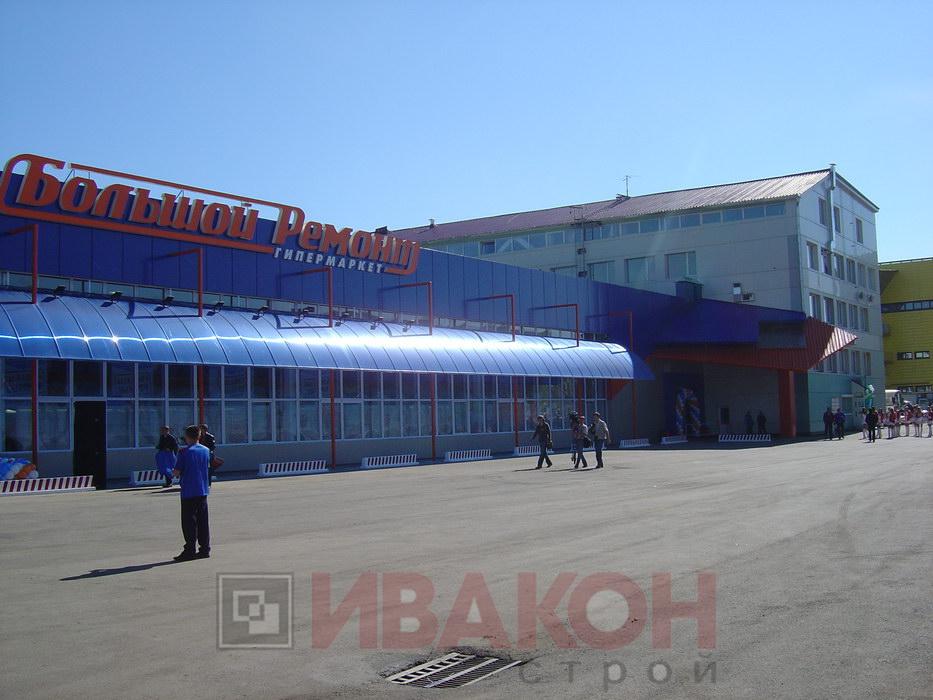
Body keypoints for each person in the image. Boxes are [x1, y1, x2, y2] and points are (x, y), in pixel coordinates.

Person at [173, 425, 211, 562]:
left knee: (189, 522)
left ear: (187, 437)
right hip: (202, 489)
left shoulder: (184, 452)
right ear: (199, 435)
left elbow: (176, 472)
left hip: (189, 491)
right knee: (203, 521)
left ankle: (189, 550)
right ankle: (205, 548)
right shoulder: (206, 450)